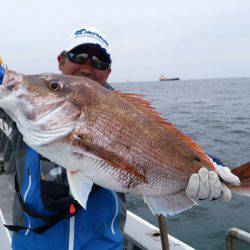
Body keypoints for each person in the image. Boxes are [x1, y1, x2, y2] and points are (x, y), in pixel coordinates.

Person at [0, 26, 239, 250]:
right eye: (78, 56)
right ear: (61, 61)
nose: (87, 66)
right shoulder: (18, 115)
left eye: (99, 61)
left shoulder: (129, 114)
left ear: (108, 72)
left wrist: (212, 166)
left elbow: (167, 144)